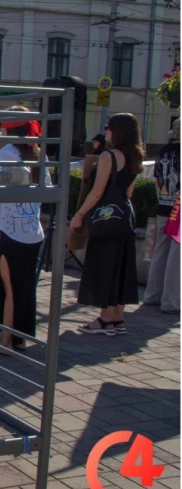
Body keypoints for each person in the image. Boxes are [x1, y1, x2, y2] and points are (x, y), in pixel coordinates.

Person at [0, 107, 50, 354]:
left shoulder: (7, 154)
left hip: (8, 230)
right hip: (31, 229)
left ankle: (6, 341)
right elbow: (47, 188)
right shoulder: (36, 152)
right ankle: (19, 337)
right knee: (23, 287)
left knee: (8, 287)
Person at [71, 113, 144, 335]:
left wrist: (79, 215)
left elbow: (97, 192)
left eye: (108, 127)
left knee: (104, 267)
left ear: (117, 130)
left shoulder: (108, 156)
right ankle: (117, 319)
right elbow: (129, 192)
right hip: (125, 218)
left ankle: (104, 320)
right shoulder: (136, 156)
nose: (106, 131)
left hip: (105, 219)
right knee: (121, 267)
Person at [143, 119, 180, 314]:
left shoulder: (162, 151)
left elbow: (157, 180)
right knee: (176, 256)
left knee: (160, 251)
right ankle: (171, 301)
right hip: (179, 209)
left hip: (163, 205)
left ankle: (151, 295)